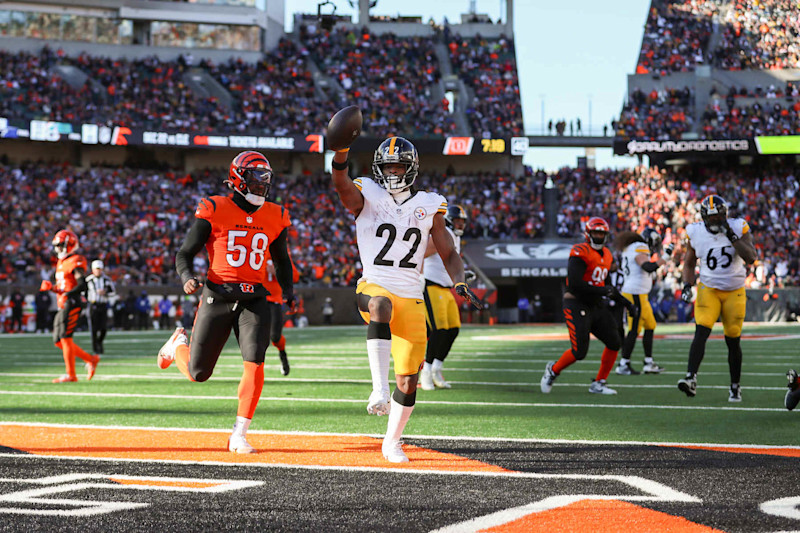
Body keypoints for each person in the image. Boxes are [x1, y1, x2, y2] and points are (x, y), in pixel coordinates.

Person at [331, 135, 480, 463]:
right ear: (377, 168)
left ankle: (392, 441)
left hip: (412, 297)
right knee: (379, 305)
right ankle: (378, 389)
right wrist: (340, 153)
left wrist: (458, 282)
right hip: (374, 286)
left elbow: (448, 251)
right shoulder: (367, 192)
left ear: (411, 168)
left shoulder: (430, 203)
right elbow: (341, 185)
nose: (393, 172)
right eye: (388, 166)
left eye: (399, 166)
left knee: (409, 380)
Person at [155, 150, 295, 454]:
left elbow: (282, 260)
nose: (261, 184)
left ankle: (239, 434)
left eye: (265, 178)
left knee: (255, 362)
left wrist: (288, 290)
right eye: (255, 178)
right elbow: (184, 253)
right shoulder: (214, 208)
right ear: (238, 179)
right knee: (198, 374)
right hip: (217, 295)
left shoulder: (275, 214)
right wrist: (186, 277)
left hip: (254, 299)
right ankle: (175, 346)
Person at [540, 217, 635, 395]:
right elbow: (575, 284)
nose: (599, 236)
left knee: (615, 342)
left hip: (596, 305)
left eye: (602, 233)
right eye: (596, 233)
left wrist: (627, 304)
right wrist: (602, 291)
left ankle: (599, 383)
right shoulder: (580, 251)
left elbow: (608, 288)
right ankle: (553, 370)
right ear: (588, 233)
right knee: (579, 352)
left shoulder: (607, 254)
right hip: (576, 303)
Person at [677, 194, 757, 401]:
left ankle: (735, 386)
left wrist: (730, 234)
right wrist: (687, 284)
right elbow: (688, 263)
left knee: (732, 340)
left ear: (725, 215)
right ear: (704, 217)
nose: (714, 222)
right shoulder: (694, 231)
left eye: (717, 217)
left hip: (735, 290)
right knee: (701, 331)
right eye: (710, 218)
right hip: (708, 288)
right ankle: (690, 378)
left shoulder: (738, 227)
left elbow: (751, 257)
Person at [420, 204, 473, 391]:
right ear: (450, 220)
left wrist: (462, 275)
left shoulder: (454, 238)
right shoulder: (444, 234)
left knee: (453, 329)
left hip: (446, 288)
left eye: (463, 222)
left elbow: (446, 262)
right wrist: (417, 275)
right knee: (438, 329)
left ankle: (436, 368)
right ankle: (425, 371)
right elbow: (421, 253)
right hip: (432, 285)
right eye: (458, 221)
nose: (461, 224)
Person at [39, 229, 100, 383]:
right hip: (64, 303)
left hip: (72, 303)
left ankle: (71, 374)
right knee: (58, 340)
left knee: (66, 338)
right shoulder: (61, 262)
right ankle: (90, 359)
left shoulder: (76, 260)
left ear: (69, 244)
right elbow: (65, 286)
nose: (57, 248)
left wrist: (66, 294)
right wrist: (52, 288)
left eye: (60, 245)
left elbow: (81, 284)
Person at [614, 229, 672, 375]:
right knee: (634, 329)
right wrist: (666, 257)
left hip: (639, 293)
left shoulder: (630, 248)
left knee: (650, 325)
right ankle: (623, 364)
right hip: (635, 293)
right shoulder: (639, 247)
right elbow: (648, 267)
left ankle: (648, 363)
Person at [262, 256, 299, 376]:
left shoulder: (280, 251)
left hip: (275, 300)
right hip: (257, 299)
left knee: (275, 336)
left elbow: (295, 276)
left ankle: (283, 354)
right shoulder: (256, 247)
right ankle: (255, 369)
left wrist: (278, 272)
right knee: (256, 338)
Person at [85, 260, 115, 356]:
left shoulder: (107, 280)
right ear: (93, 269)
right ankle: (96, 349)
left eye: (99, 269)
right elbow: (84, 294)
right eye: (96, 269)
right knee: (93, 329)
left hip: (103, 305)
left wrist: (105, 292)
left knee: (103, 328)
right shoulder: (88, 280)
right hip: (93, 305)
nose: (98, 271)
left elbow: (113, 292)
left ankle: (99, 342)